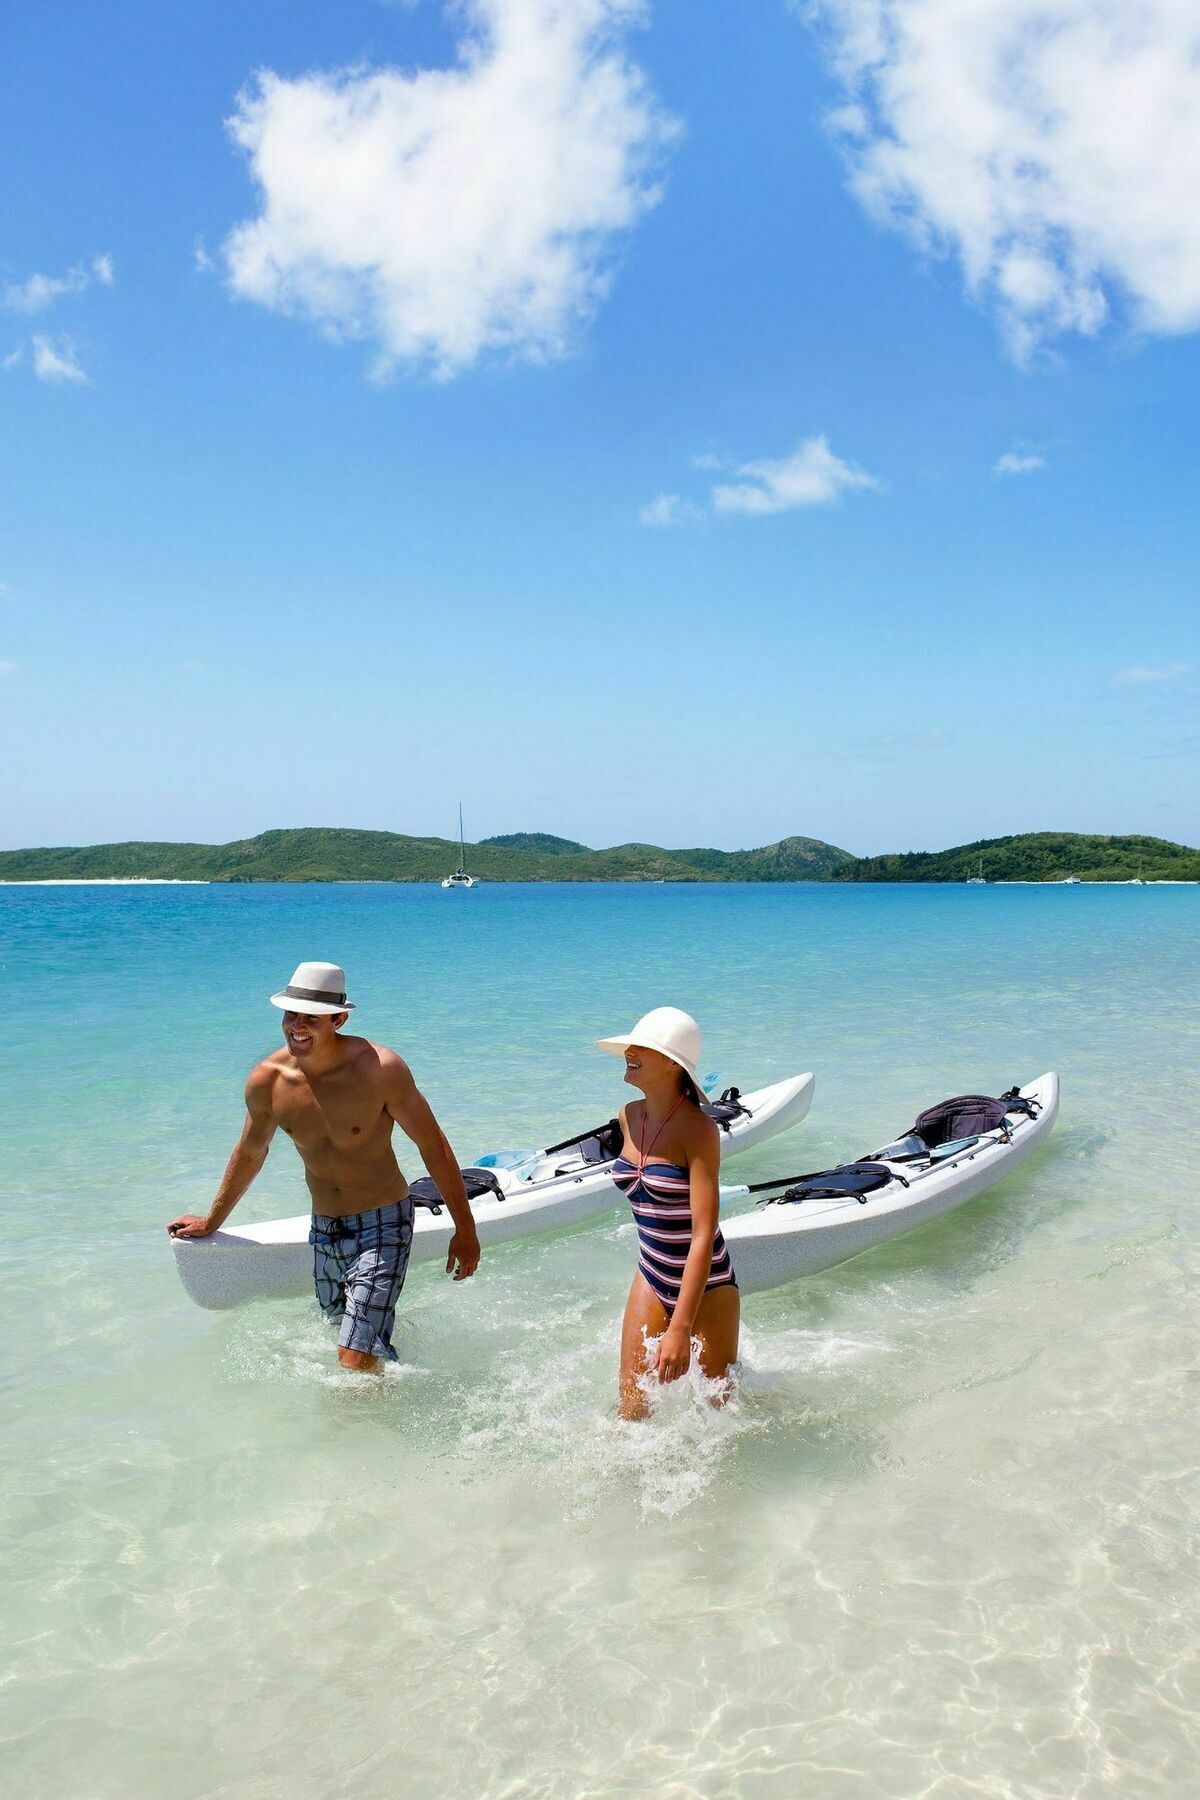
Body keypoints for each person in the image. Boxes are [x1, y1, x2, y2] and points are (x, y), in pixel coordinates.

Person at [167, 962, 481, 1373]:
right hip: (325, 1229)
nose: (298, 1026)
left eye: (311, 1018)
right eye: (291, 1015)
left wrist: (466, 1227)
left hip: (383, 1223)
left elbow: (432, 1146)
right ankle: (388, 1373)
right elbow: (250, 1153)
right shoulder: (268, 1081)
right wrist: (212, 1220)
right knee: (341, 1333)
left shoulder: (380, 1069)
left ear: (339, 1019)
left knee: (351, 1360)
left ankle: (360, 1426)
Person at [597, 1006, 739, 1420]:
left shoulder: (699, 1130)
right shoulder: (629, 1115)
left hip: (708, 1283)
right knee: (632, 1405)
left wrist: (680, 1327)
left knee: (718, 1413)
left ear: (673, 1064)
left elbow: (703, 1233)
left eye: (643, 1047)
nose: (629, 1051)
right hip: (652, 1273)